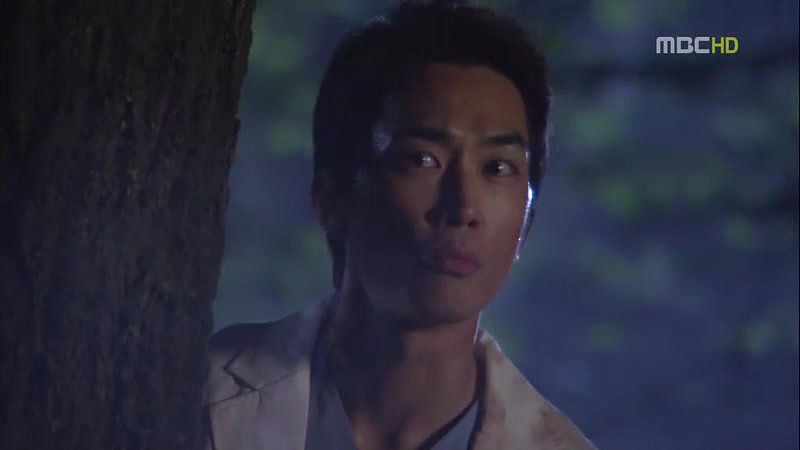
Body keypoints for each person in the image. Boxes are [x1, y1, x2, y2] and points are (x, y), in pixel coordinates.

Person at [204, 1, 598, 449]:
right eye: (421, 159)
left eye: (497, 167)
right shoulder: (198, 391)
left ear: (526, 218)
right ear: (332, 196)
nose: (463, 207)